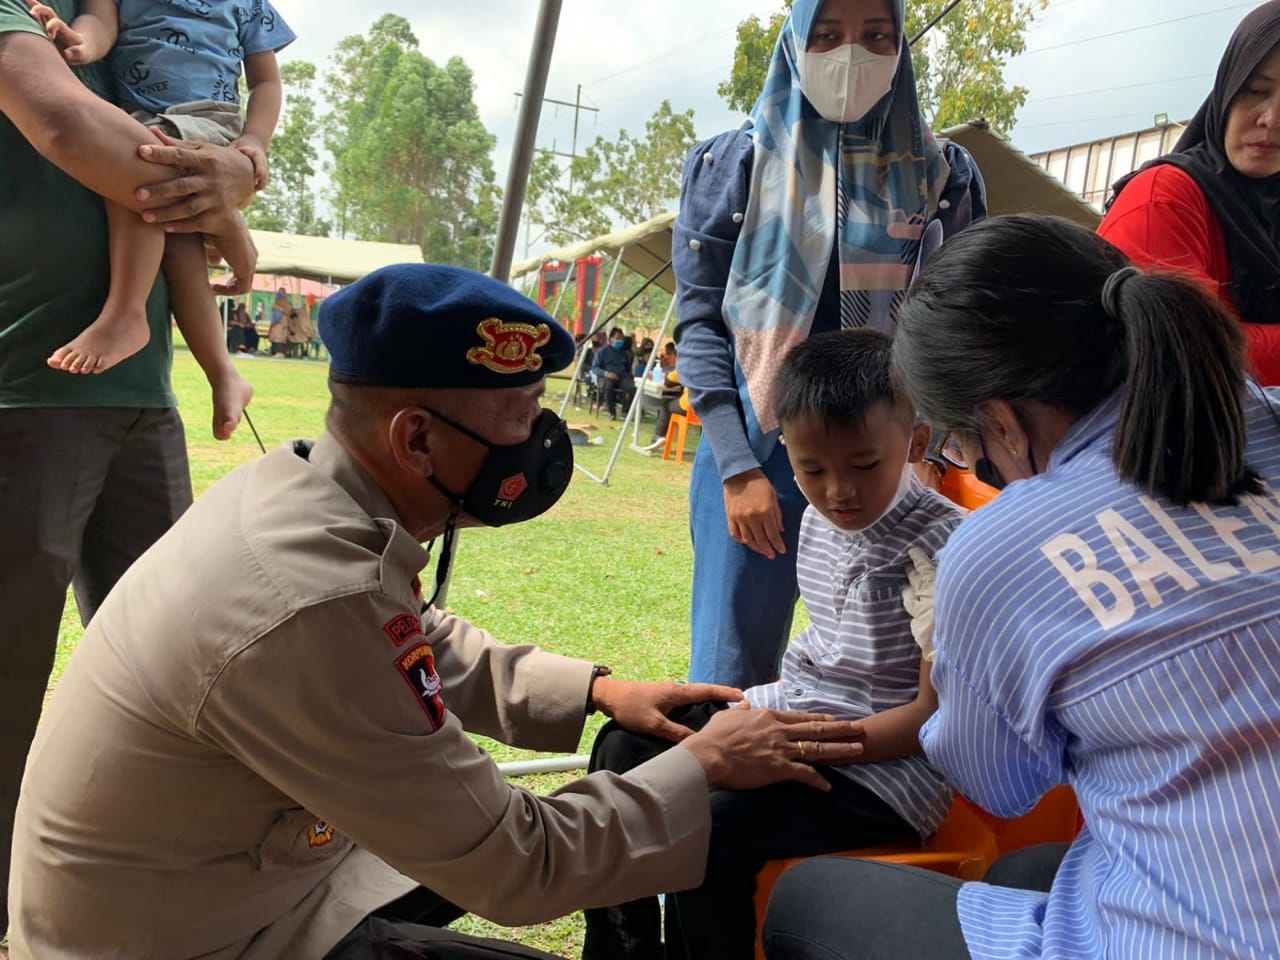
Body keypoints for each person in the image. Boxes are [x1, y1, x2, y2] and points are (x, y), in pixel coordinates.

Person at [6, 264, 866, 960]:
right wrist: (706, 766)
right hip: (191, 938)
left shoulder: (306, 494)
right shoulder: (309, 599)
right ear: (416, 439)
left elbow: (410, 639)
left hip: (212, 881)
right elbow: (518, 863)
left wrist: (597, 691)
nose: (536, 443)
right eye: (518, 418)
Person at [761, 213, 1280, 960]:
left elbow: (998, 784)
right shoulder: (1260, 423)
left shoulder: (998, 544)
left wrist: (951, 670)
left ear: (1002, 422)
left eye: (966, 449)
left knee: (806, 900)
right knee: (1031, 870)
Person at [0, 0, 259, 943]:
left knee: (170, 666)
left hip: (143, 398)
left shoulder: (147, 20)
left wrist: (236, 164)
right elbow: (71, 128)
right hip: (25, 394)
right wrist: (224, 182)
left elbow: (223, 106)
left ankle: (149, 887)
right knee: (6, 685)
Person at [584, 328, 964, 960]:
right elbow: (827, 649)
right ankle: (621, 951)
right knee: (622, 746)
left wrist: (789, 743)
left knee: (702, 825)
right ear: (784, 449)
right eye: (811, 468)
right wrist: (761, 725)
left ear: (916, 441)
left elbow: (934, 717)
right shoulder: (815, 517)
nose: (838, 491)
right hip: (796, 715)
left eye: (863, 465)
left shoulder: (941, 548)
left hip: (887, 774)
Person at [674, 0, 985, 689]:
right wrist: (734, 466)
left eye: (876, 36)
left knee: (894, 666)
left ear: (902, 46)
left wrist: (926, 452)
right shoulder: (734, 166)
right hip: (758, 452)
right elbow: (699, 323)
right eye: (829, 35)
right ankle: (730, 796)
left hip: (890, 458)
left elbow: (954, 331)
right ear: (794, 40)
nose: (852, 56)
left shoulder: (943, 177)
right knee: (731, 673)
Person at [26, 0, 294, 439]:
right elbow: (100, 23)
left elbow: (266, 81)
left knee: (138, 179)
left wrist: (254, 140)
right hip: (143, 118)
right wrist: (81, 43)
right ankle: (224, 373)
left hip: (206, 120)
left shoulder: (246, 3)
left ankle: (126, 314)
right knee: (178, 242)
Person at [1099, 2, 1280, 386]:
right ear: (1227, 91)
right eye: (1255, 91)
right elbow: (1180, 352)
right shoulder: (1161, 198)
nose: (1272, 119)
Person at [592, 328, 635, 420]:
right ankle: (612, 412)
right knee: (609, 387)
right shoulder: (602, 352)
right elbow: (595, 368)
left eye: (622, 338)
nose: (620, 340)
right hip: (607, 377)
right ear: (611, 339)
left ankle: (625, 411)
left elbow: (628, 369)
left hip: (621, 377)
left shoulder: (623, 353)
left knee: (632, 388)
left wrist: (628, 376)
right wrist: (606, 373)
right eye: (618, 338)